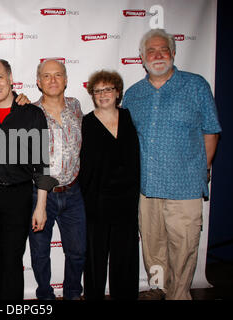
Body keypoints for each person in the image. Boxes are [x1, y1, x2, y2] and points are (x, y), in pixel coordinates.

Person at [123, 29, 221, 300]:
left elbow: (211, 131)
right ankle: (159, 288)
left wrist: (204, 168)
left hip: (185, 186)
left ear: (173, 53)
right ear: (141, 58)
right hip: (146, 188)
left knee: (184, 247)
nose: (157, 55)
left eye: (162, 49)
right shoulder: (133, 95)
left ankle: (179, 295)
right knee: (153, 248)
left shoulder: (196, 85)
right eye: (150, 51)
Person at [0, 58, 58, 300]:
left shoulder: (31, 114)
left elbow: (42, 163)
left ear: (11, 79)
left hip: (18, 196)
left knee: (12, 260)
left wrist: (41, 206)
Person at [28, 59, 86, 300]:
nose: (53, 80)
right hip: (41, 196)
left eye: (58, 75)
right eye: (47, 76)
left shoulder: (75, 106)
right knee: (40, 253)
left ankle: (73, 294)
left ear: (66, 79)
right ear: (38, 82)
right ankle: (45, 297)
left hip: (73, 192)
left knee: (78, 252)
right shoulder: (29, 112)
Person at [79, 70, 140, 300]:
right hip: (96, 201)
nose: (103, 94)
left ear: (117, 92)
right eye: (98, 90)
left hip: (126, 201)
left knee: (125, 257)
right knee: (95, 258)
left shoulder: (129, 118)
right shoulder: (85, 123)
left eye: (108, 89)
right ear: (92, 94)